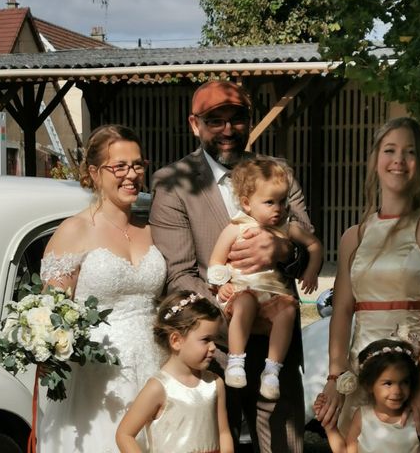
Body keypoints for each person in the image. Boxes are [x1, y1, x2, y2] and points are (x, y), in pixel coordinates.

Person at [150, 79, 321, 452]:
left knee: (284, 446)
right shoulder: (172, 183)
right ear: (195, 125)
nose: (228, 130)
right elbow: (178, 273)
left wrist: (281, 251)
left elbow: (306, 247)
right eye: (216, 121)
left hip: (278, 342)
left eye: (237, 118)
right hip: (211, 351)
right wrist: (230, 311)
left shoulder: (278, 174)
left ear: (250, 120)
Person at [315, 117, 420, 451]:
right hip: (362, 373)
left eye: (410, 152)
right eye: (390, 150)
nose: (399, 159)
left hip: (416, 368)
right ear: (374, 160)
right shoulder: (352, 236)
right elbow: (340, 312)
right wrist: (333, 378)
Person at [38, 125, 166, 453]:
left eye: (138, 165)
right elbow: (50, 314)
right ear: (94, 173)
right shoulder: (75, 230)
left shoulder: (150, 230)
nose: (132, 175)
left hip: (155, 366)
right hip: (99, 378)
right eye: (119, 166)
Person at [207, 157, 322, 400]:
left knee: (289, 309)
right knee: (246, 302)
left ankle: (272, 371)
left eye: (282, 201)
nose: (278, 209)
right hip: (242, 292)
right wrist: (221, 284)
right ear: (247, 203)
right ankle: (236, 361)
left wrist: (311, 270)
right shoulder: (235, 228)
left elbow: (313, 244)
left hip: (273, 296)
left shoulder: (287, 227)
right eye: (269, 202)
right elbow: (216, 262)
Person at [116, 291, 234, 453]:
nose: (213, 347)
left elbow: (223, 432)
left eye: (214, 339)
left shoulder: (215, 383)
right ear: (176, 340)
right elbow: (124, 434)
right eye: (206, 339)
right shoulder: (158, 388)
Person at [314, 339, 420, 453]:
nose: (397, 391)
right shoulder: (362, 416)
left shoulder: (416, 418)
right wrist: (330, 427)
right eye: (388, 383)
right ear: (369, 385)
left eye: (404, 382)